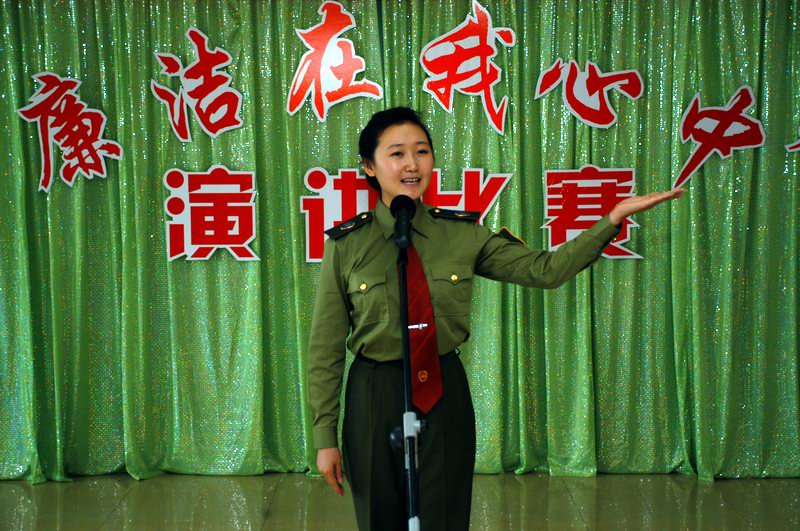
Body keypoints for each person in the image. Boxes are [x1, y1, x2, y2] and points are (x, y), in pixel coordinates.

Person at [307, 107, 684, 530]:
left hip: (442, 390)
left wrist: (611, 220)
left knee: (444, 517)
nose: (412, 164)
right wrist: (325, 438)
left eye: (422, 151)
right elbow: (325, 347)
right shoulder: (347, 245)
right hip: (374, 391)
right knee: (380, 518)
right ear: (370, 167)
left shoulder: (462, 234)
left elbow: (546, 270)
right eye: (397, 154)